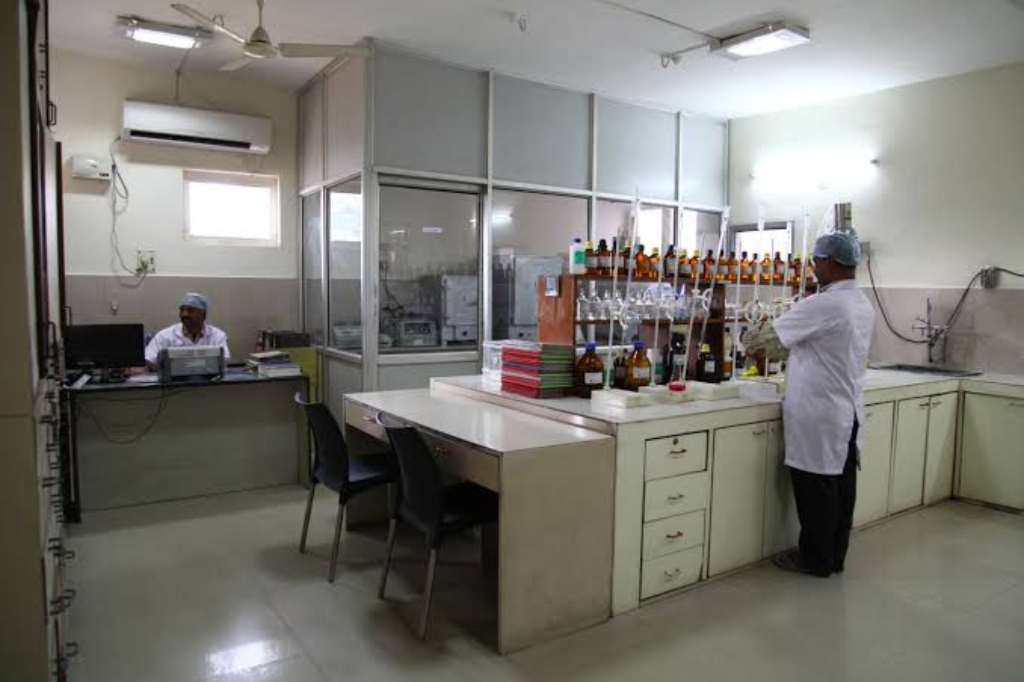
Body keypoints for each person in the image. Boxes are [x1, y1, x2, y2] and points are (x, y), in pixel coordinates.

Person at [747, 232, 875, 577]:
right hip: (846, 410)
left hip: (819, 411)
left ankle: (815, 560)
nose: (813, 268)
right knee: (842, 489)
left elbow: (763, 342)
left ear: (830, 261)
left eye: (815, 261)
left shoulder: (823, 304)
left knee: (816, 489)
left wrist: (753, 329)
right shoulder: (861, 303)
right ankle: (834, 557)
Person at [144, 292, 231, 369]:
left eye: (191, 310)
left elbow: (224, 360)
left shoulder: (217, 335)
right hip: (174, 381)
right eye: (182, 310)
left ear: (203, 314)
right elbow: (149, 359)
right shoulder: (164, 335)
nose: (184, 314)